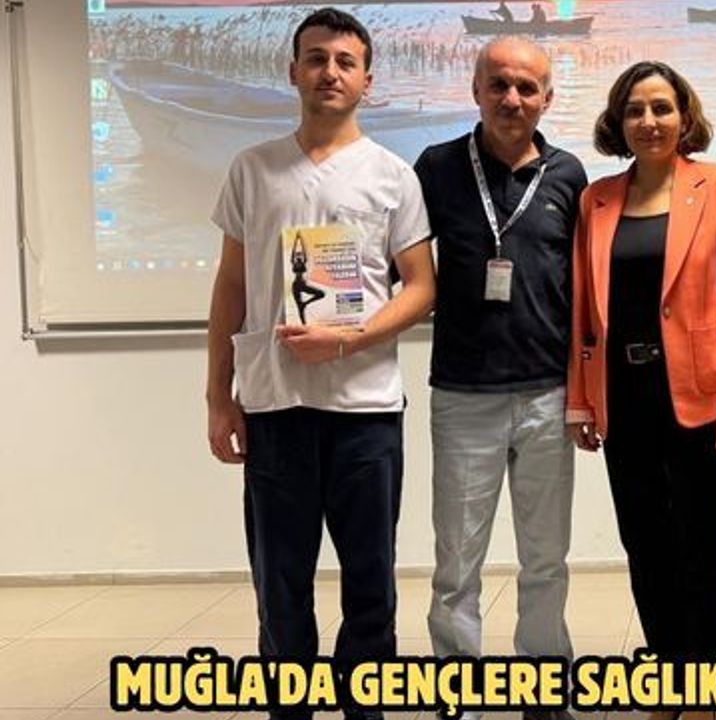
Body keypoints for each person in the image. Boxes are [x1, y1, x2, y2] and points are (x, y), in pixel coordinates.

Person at [205, 8, 435, 720]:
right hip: (275, 407)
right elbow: (231, 286)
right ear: (293, 71)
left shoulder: (393, 176)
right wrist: (218, 396)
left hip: (365, 411)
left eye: (344, 61)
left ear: (367, 80)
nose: (329, 72)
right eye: (315, 58)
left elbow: (421, 286)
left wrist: (348, 340)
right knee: (280, 587)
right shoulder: (252, 169)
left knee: (371, 585)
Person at [565, 60, 716, 706]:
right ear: (618, 122)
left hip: (700, 396)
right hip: (622, 398)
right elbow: (583, 309)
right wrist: (579, 399)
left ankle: (701, 686)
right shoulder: (596, 199)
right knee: (644, 544)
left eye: (661, 108)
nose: (649, 121)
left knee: (699, 546)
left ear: (684, 115)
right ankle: (668, 677)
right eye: (635, 110)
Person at [412, 36, 587, 696]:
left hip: (547, 394)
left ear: (547, 98)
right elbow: (399, 264)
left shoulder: (569, 175)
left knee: (546, 558)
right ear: (476, 89)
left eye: (526, 87)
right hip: (463, 395)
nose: (512, 99)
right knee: (457, 562)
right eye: (499, 84)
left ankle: (545, 681)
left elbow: (584, 288)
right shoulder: (437, 166)